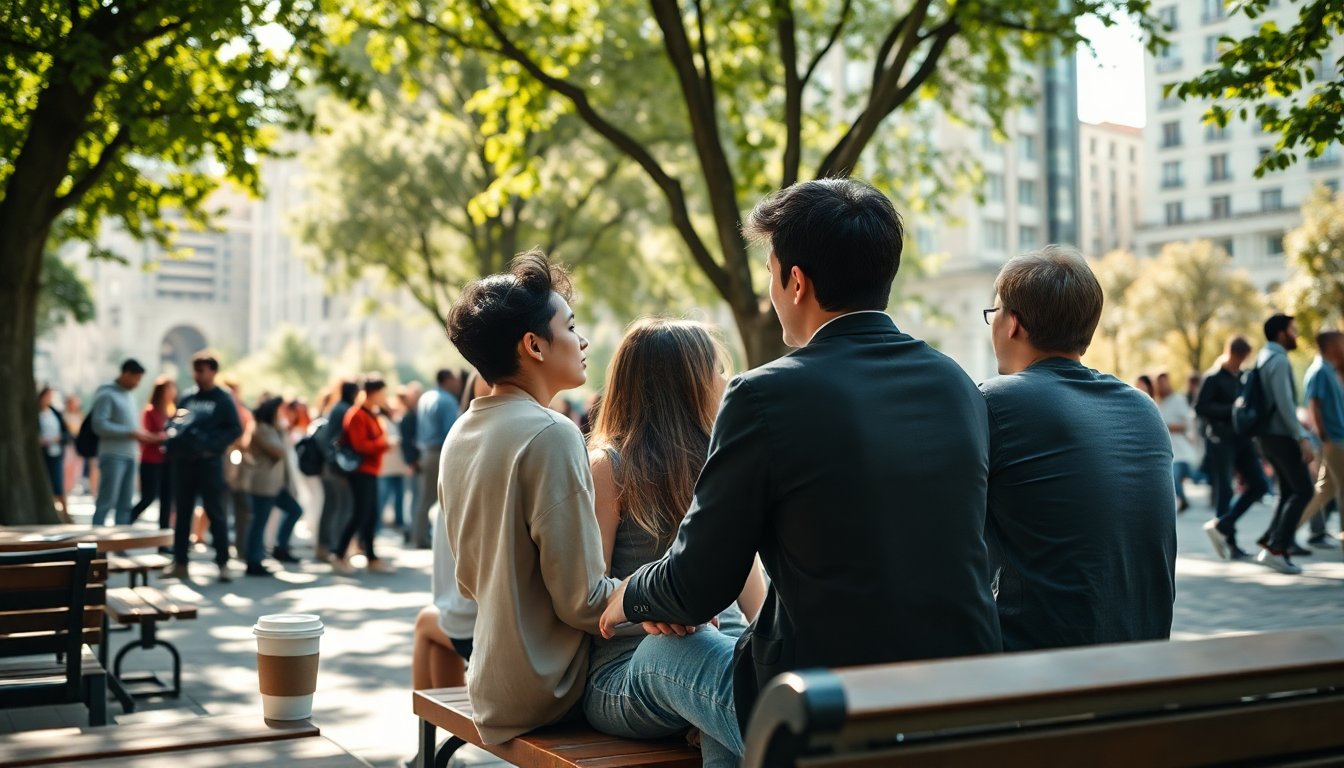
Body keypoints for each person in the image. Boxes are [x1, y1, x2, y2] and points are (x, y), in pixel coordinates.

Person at [600, 179, 1002, 738]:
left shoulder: (764, 396)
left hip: (825, 709)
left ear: (795, 281)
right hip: (960, 696)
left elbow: (698, 585)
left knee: (665, 655)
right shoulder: (958, 385)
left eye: (770, 274)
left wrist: (627, 594)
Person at [440, 251, 618, 744]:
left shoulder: (461, 432)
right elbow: (583, 602)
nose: (582, 342)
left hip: (490, 680)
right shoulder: (551, 433)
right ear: (534, 345)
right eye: (572, 327)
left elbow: (471, 580)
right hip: (551, 688)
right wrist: (664, 601)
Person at [584, 319, 767, 766]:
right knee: (698, 653)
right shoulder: (607, 467)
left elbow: (754, 599)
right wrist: (656, 614)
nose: (726, 379)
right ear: (686, 382)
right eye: (716, 368)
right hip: (629, 669)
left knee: (739, 667)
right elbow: (588, 605)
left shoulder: (721, 461)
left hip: (718, 658)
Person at [980, 247, 1176, 651]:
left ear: (1013, 323)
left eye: (993, 312)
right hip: (1147, 659)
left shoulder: (995, 402)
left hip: (1048, 673)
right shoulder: (1143, 408)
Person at [163, 353, 243, 582]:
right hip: (184, 463)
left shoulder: (223, 398)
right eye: (195, 369)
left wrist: (211, 445)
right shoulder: (187, 397)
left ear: (213, 371)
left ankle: (222, 563)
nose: (197, 374)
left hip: (209, 464)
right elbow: (175, 422)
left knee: (215, 512)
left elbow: (235, 429)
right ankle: (180, 562)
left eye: (202, 370)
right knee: (183, 513)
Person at [1252, 314, 1317, 574]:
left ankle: (1270, 541)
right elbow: (1285, 403)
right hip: (1280, 435)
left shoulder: (1263, 356)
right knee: (1304, 491)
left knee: (1290, 491)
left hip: (1267, 436)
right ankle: (1277, 549)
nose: (1296, 334)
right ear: (1281, 333)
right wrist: (1301, 436)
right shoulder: (1278, 360)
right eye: (1292, 330)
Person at [1197, 337, 1271, 560]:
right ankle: (1230, 543)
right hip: (1221, 439)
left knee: (1259, 485)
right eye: (1239, 358)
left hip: (1243, 439)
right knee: (1226, 491)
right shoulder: (1213, 377)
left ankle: (1222, 525)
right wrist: (1232, 409)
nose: (1241, 362)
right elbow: (1201, 407)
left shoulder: (1243, 377)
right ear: (1231, 353)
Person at [331, 376, 393, 575]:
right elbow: (360, 445)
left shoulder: (373, 414)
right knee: (360, 514)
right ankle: (339, 555)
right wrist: (384, 444)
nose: (385, 397)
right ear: (372, 393)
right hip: (360, 471)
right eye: (382, 392)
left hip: (371, 470)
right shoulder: (356, 414)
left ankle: (371, 558)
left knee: (371, 514)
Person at [412, 502, 477, 690]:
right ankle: (444, 717)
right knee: (437, 638)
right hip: (529, 630)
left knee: (426, 622)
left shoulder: (453, 487)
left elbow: (456, 610)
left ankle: (432, 718)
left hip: (509, 641)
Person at [244, 396, 306, 575]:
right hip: (264, 483)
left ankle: (281, 547)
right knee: (259, 522)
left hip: (276, 484)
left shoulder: (274, 428)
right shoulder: (262, 428)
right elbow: (278, 451)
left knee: (295, 510)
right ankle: (253, 561)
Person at [91, 359, 155, 526]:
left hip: (130, 454)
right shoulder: (106, 394)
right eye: (136, 378)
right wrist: (129, 433)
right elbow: (99, 425)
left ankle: (121, 543)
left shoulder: (129, 396)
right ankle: (96, 541)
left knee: (125, 503)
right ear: (126, 373)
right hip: (112, 454)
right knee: (106, 501)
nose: (138, 383)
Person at [1297, 330, 1344, 545]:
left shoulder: (1329, 369)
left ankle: (1283, 533)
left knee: (1326, 490)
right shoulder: (1319, 371)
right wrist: (1324, 436)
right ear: (1331, 345)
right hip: (1332, 439)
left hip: (1335, 437)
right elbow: (1314, 404)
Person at [414, 370, 460, 550]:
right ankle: (426, 539)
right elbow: (451, 431)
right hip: (439, 452)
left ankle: (419, 536)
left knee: (424, 497)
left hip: (425, 452)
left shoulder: (426, 397)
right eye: (455, 379)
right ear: (447, 380)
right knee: (439, 500)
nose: (457, 383)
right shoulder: (447, 400)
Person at [315, 380, 358, 561]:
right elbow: (334, 439)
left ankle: (325, 546)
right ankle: (336, 547)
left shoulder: (336, 408)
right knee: (342, 506)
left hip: (329, 465)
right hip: (337, 467)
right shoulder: (344, 410)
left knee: (332, 506)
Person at [130, 376, 175, 528]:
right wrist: (161, 437)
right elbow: (144, 435)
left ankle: (164, 538)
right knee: (148, 497)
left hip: (167, 461)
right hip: (150, 460)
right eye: (169, 389)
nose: (172, 392)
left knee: (166, 500)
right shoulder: (150, 411)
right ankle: (126, 521)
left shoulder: (170, 412)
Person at [1156, 372, 1199, 513]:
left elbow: (1186, 423)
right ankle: (1182, 500)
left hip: (1180, 448)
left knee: (1173, 476)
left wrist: (1166, 426)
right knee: (1171, 477)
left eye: (1164, 382)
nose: (1162, 385)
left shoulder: (1178, 400)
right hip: (1165, 447)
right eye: (1159, 383)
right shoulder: (1158, 402)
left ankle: (1183, 500)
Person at [37, 386, 72, 523]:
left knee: (58, 484)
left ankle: (65, 515)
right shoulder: (36, 414)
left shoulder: (55, 413)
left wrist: (58, 439)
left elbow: (66, 433)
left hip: (56, 452)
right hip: (43, 454)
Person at [377, 401, 410, 533]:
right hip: (386, 467)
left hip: (396, 466)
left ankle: (399, 523)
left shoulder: (392, 421)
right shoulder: (382, 421)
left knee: (398, 497)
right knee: (383, 497)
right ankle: (377, 525)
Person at [397, 383, 423, 543]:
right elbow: (406, 442)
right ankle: (410, 529)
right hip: (412, 462)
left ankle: (412, 529)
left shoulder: (414, 414)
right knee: (413, 496)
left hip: (414, 461)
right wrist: (411, 461)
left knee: (415, 496)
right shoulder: (408, 417)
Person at [63, 393, 86, 495]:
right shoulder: (64, 415)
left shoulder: (80, 415)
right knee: (67, 466)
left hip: (78, 445)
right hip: (69, 444)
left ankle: (72, 486)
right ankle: (66, 488)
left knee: (77, 467)